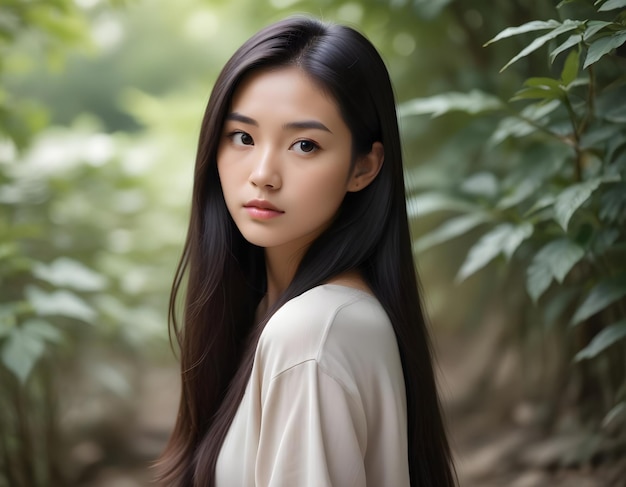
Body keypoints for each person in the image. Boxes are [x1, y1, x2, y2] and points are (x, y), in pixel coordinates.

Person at [157, 16, 457, 487]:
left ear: (364, 166)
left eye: (304, 144)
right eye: (243, 137)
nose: (263, 174)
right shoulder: (290, 315)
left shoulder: (312, 333)